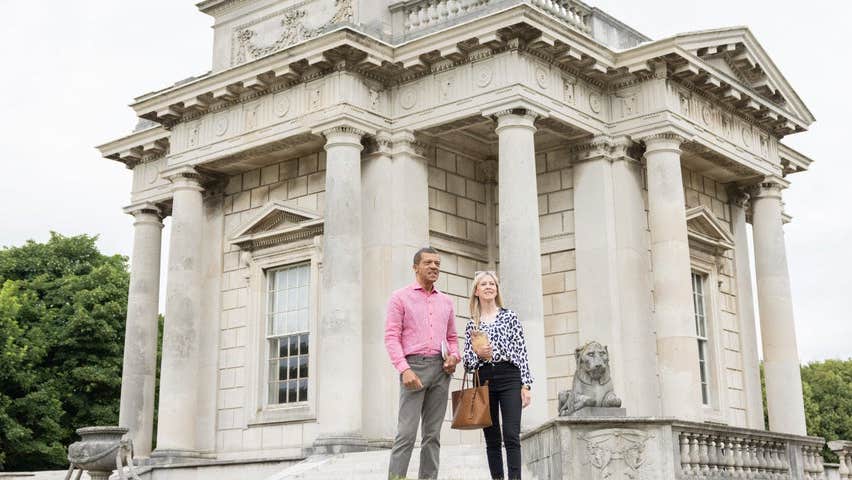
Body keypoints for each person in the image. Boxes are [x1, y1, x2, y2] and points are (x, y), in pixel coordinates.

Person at [385, 247, 460, 480]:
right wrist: (404, 368)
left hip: (441, 370)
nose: (434, 267)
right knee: (406, 434)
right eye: (428, 262)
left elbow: (452, 339)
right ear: (415, 267)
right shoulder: (400, 297)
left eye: (437, 263)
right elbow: (391, 337)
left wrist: (453, 357)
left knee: (432, 435)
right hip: (413, 368)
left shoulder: (446, 302)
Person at [463, 271, 533, 480]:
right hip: (484, 378)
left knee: (511, 434)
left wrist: (526, 385)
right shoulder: (472, 324)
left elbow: (522, 352)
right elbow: (467, 363)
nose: (488, 287)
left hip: (510, 376)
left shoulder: (509, 316)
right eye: (483, 284)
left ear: (496, 289)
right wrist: (478, 354)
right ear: (476, 291)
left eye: (492, 283)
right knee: (492, 438)